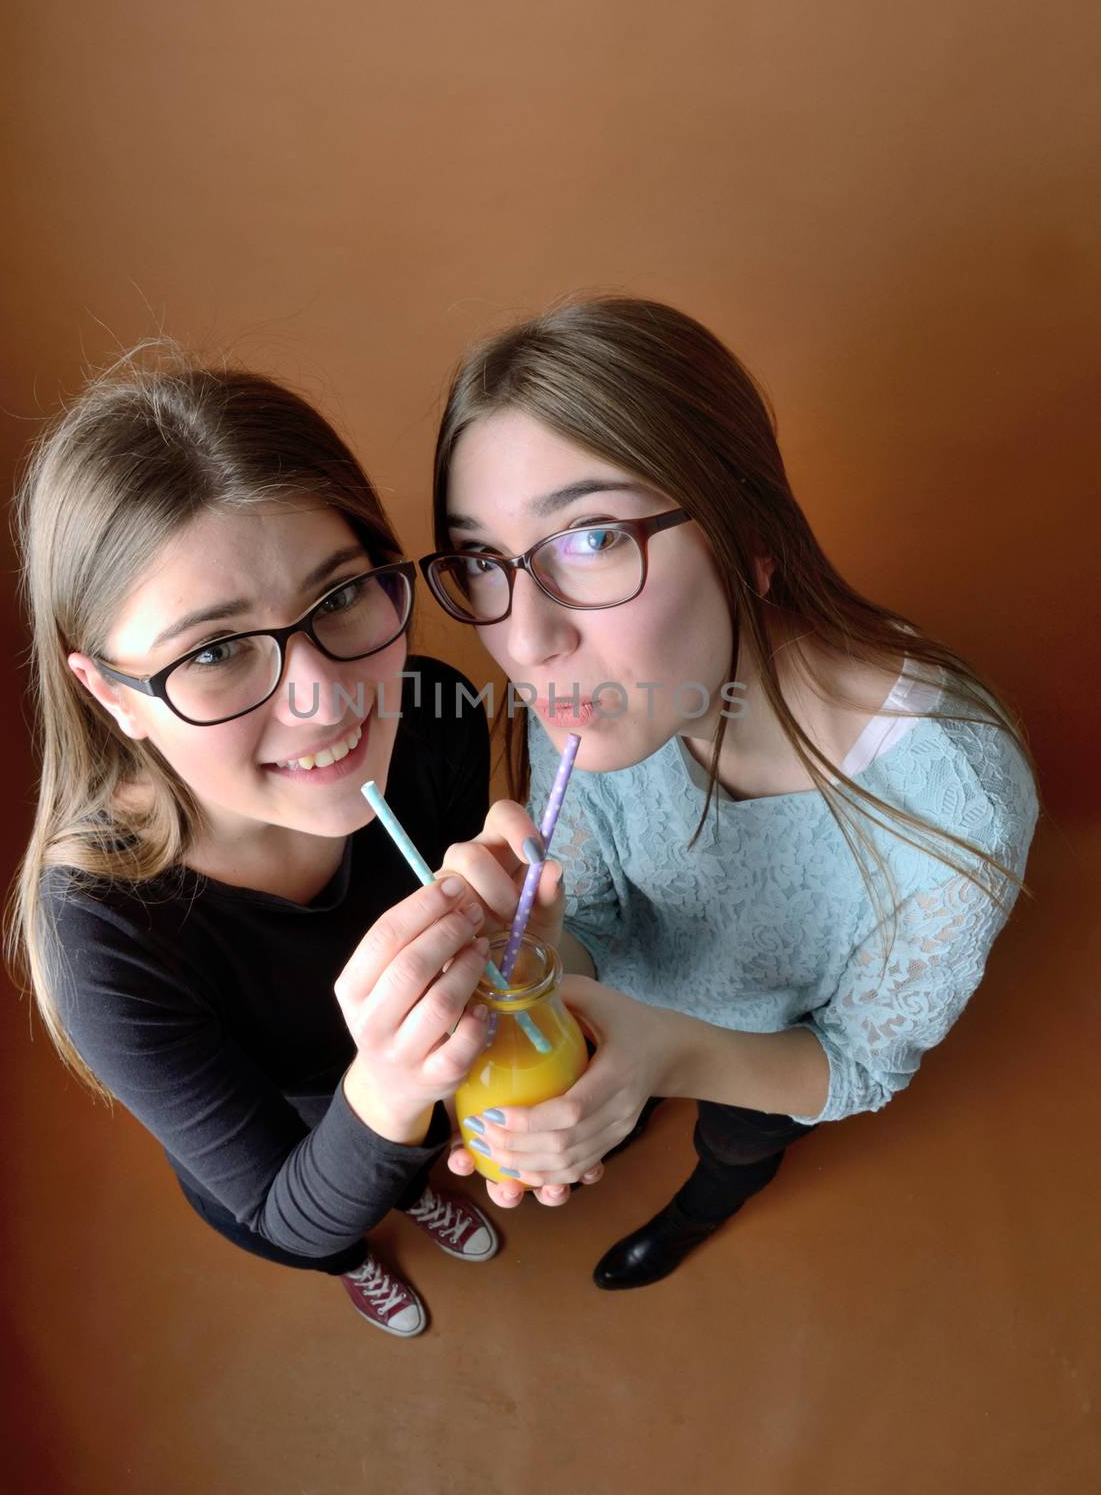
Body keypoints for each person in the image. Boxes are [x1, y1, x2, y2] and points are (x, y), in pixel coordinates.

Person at [421, 295, 1040, 1289]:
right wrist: (540, 959)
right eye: (486, 561)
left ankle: (697, 1212)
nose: (525, 639)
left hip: (767, 1066)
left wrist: (667, 1059)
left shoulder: (958, 797)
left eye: (591, 539)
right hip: (626, 1020)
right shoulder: (594, 686)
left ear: (749, 536)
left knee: (736, 1153)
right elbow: (602, 914)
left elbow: (855, 1061)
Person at [6, 351, 559, 1337]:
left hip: (418, 1105)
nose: (325, 703)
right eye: (215, 651)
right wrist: (389, 1088)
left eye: (342, 594)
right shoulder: (102, 940)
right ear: (107, 693)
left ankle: (409, 1181)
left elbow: (479, 964)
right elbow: (280, 1208)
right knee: (335, 1225)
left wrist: (515, 942)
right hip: (282, 1166)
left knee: (404, 1153)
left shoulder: (431, 716)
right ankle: (363, 1252)